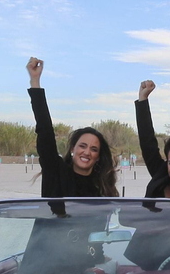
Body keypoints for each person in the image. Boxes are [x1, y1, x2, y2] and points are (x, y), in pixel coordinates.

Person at [27, 56, 118, 197]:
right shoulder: (55, 172)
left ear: (98, 157)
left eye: (93, 149)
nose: (87, 152)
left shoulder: (103, 188)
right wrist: (35, 81)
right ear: (72, 149)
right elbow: (45, 132)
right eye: (82, 146)